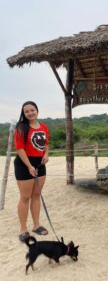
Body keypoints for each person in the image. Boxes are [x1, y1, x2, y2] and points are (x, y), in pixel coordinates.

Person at [14, 101, 49, 242]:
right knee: (25, 197)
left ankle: (36, 225)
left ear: (37, 110)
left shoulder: (44, 126)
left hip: (40, 164)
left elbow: (46, 144)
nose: (30, 113)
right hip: (24, 164)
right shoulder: (22, 127)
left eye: (32, 110)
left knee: (36, 195)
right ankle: (23, 229)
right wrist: (29, 165)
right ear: (24, 113)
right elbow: (20, 148)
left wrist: (46, 154)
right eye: (26, 111)